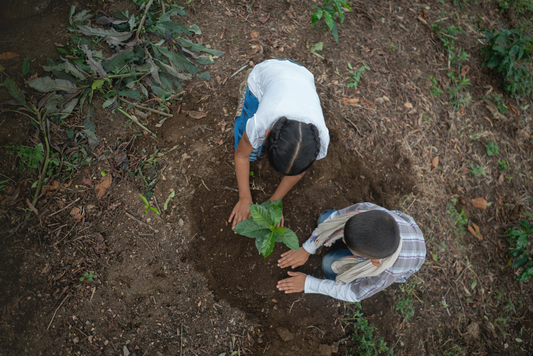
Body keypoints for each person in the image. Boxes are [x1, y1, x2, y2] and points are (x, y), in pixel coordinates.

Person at [228, 59, 330, 229]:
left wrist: (274, 201)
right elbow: (241, 155)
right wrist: (244, 197)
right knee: (247, 140)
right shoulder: (262, 122)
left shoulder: (320, 137)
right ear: (267, 134)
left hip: (301, 74)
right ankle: (245, 85)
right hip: (264, 75)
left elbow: (298, 172)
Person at [276, 202, 426, 302]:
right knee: (325, 219)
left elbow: (354, 293)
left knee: (329, 265)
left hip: (409, 256)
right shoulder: (369, 209)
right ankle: (348, 238)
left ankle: (343, 260)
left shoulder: (385, 272)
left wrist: (309, 283)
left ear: (373, 261)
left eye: (349, 244)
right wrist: (307, 248)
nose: (344, 241)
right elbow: (336, 218)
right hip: (406, 231)